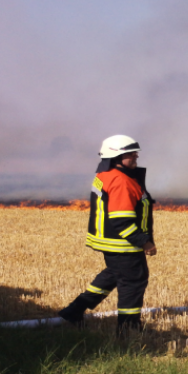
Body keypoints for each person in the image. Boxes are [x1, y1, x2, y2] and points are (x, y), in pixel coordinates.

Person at [57, 135, 157, 333]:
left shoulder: (107, 175)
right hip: (122, 244)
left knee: (113, 275)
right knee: (133, 282)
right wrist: (144, 242)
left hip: (110, 243)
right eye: (130, 153)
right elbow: (122, 221)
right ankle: (128, 330)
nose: (136, 156)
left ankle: (73, 311)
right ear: (116, 156)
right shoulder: (121, 181)